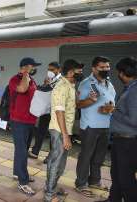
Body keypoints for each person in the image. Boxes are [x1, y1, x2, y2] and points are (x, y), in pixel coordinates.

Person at [74, 56, 116, 197]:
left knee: (99, 157)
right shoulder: (86, 84)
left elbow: (112, 102)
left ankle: (94, 181)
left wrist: (110, 108)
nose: (106, 69)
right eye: (102, 67)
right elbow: (78, 105)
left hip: (106, 126)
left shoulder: (109, 83)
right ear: (94, 68)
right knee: (86, 156)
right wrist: (91, 101)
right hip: (90, 127)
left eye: (107, 67)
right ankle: (81, 183)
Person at [44, 59, 84, 202]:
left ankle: (51, 187)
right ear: (71, 71)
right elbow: (59, 112)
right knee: (57, 162)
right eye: (79, 70)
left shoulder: (70, 85)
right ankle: (49, 195)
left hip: (63, 130)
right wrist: (66, 136)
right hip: (60, 130)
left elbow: (71, 106)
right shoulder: (62, 87)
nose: (81, 73)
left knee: (59, 162)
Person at [101, 57, 137, 202]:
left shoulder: (134, 91)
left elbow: (134, 120)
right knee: (116, 174)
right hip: (120, 140)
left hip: (127, 142)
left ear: (123, 73)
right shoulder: (131, 87)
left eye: (118, 72)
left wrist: (113, 110)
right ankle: (113, 199)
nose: (118, 75)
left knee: (125, 179)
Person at [8, 57, 41, 195]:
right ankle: (23, 182)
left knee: (23, 149)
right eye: (32, 67)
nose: (34, 69)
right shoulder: (15, 79)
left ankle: (17, 173)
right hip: (19, 120)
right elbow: (22, 89)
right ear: (25, 67)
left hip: (30, 120)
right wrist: (26, 74)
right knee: (22, 151)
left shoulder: (32, 80)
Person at [29, 62, 62, 162]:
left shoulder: (61, 81)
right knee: (41, 131)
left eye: (52, 70)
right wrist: (45, 84)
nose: (50, 72)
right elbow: (44, 91)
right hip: (46, 109)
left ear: (59, 70)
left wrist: (48, 85)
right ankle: (35, 152)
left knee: (53, 133)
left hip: (55, 111)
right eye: (49, 70)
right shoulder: (50, 79)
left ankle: (50, 156)